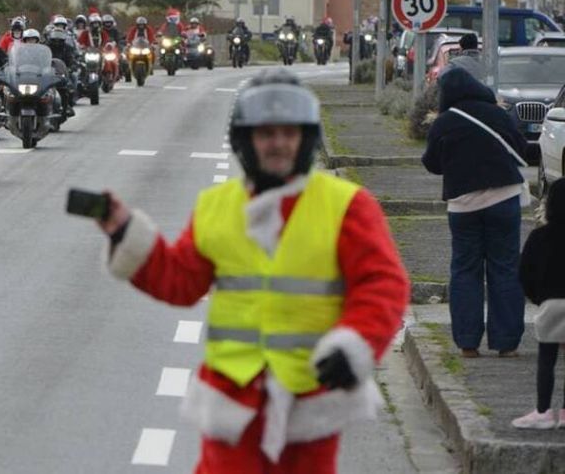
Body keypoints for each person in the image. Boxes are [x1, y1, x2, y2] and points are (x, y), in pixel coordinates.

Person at [94, 70, 408, 473]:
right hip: (231, 399)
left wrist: (356, 345)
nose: (278, 143)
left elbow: (383, 284)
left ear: (305, 138)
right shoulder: (216, 206)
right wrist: (126, 233)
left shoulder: (348, 206)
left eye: (289, 133)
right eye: (266, 133)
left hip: (311, 398)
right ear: (246, 140)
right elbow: (181, 280)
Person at [422, 67, 529, 357]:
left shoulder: (444, 122)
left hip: (463, 206)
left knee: (465, 270)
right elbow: (521, 149)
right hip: (504, 199)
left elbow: (431, 163)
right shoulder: (498, 115)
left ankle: (468, 343)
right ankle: (507, 343)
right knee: (505, 268)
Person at [513, 179, 565, 428]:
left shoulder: (539, 236)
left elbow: (524, 273)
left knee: (547, 359)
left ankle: (543, 411)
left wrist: (539, 298)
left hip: (550, 304)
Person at [47, 28, 77, 118]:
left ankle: (66, 106)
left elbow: (71, 59)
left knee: (68, 86)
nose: (57, 41)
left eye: (59, 38)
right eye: (55, 38)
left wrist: (71, 67)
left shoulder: (67, 48)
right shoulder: (46, 47)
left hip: (62, 72)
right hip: (47, 72)